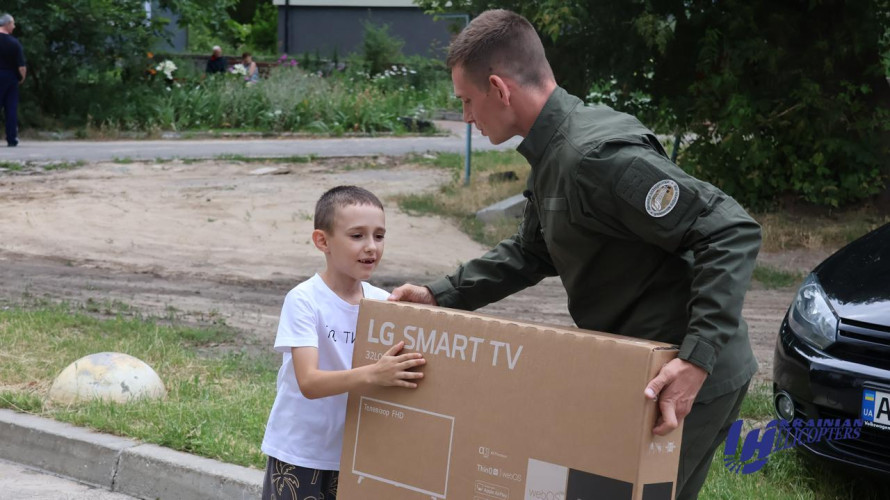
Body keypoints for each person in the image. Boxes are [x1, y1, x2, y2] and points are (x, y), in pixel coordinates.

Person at [388, 9, 761, 500]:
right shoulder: (551, 153)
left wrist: (697, 360)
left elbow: (729, 229)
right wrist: (439, 296)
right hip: (643, 364)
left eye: (467, 102)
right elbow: (531, 251)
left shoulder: (593, 157)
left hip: (683, 372)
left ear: (499, 89)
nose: (467, 118)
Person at [261, 185, 426, 500]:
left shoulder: (384, 305)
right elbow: (308, 382)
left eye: (379, 236)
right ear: (322, 241)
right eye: (357, 236)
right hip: (301, 453)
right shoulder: (304, 300)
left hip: (357, 455)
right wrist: (374, 374)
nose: (371, 247)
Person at [0, 13, 25, 147]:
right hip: (10, 77)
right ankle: (11, 138)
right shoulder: (14, 43)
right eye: (13, 24)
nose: (14, 27)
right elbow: (21, 66)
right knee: (10, 108)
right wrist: (21, 78)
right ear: (7, 24)